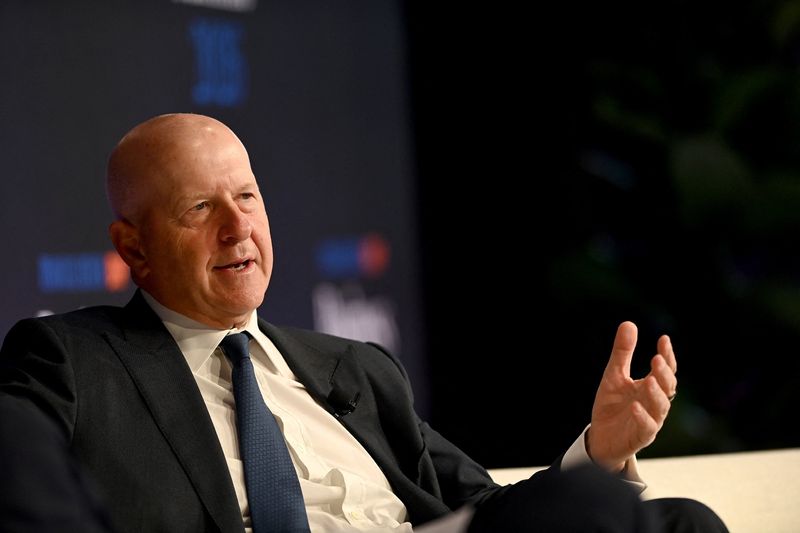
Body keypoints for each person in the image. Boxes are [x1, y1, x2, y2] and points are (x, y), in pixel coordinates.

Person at [0, 113, 727, 532]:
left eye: (247, 197)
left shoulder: (357, 367)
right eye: (199, 208)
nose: (237, 227)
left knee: (680, 521)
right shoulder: (73, 359)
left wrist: (600, 449)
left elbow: (482, 510)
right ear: (134, 248)